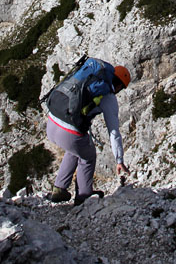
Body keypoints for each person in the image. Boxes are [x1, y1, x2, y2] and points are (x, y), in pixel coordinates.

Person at [46, 61, 131, 204]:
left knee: (75, 150)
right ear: (119, 86)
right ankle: (84, 196)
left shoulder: (86, 80)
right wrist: (119, 159)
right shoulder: (108, 96)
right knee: (88, 155)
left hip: (52, 123)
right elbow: (114, 132)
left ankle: (59, 189)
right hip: (68, 133)